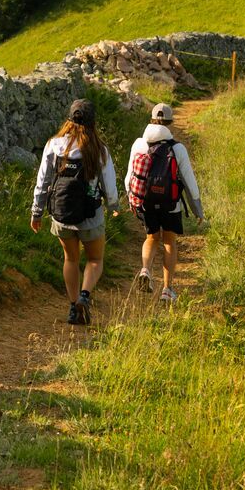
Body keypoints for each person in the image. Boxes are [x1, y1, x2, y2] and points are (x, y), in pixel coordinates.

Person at [30, 97, 119, 325]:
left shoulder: (54, 145)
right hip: (90, 214)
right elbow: (109, 184)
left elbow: (43, 181)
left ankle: (72, 307)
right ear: (92, 122)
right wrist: (113, 206)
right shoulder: (99, 150)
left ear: (69, 118)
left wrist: (37, 212)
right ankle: (85, 296)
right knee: (95, 260)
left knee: (70, 259)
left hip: (61, 214)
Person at [125, 101, 204, 303]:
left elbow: (130, 177)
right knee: (169, 242)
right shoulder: (177, 148)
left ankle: (145, 270)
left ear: (151, 120)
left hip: (146, 202)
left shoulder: (138, 144)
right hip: (170, 204)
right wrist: (198, 210)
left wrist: (132, 200)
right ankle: (167, 290)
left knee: (151, 237)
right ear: (169, 123)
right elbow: (189, 181)